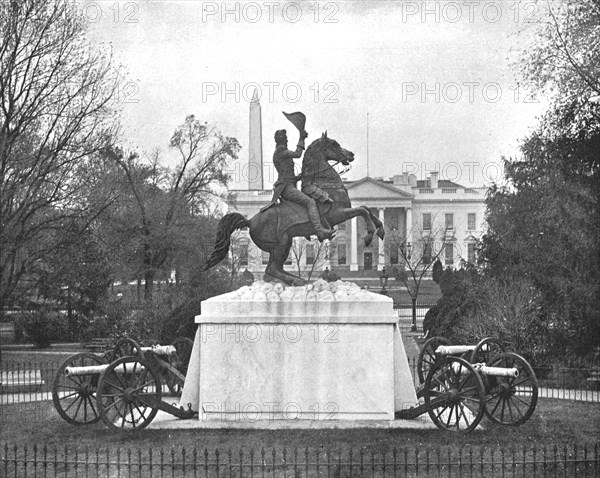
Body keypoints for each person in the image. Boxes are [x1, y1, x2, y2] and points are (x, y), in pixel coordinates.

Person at [262, 129, 334, 241]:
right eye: (286, 139)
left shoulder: (281, 153)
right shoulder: (281, 153)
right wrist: (302, 138)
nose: (287, 140)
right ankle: (319, 231)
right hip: (286, 188)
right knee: (310, 202)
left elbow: (287, 175)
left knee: (308, 200)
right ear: (282, 140)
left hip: (289, 184)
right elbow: (298, 154)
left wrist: (299, 177)